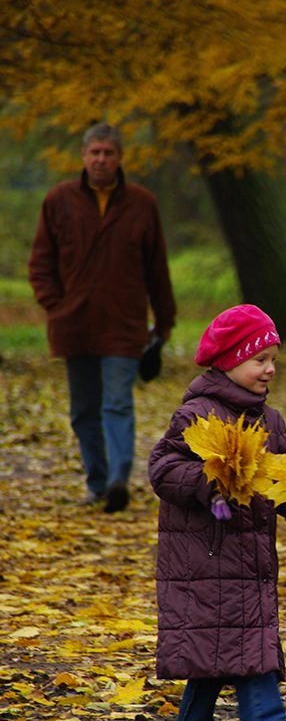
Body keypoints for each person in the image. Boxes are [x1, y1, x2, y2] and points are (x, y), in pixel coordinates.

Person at [148, 304, 286, 721]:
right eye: (259, 360)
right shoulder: (197, 415)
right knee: (243, 639)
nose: (269, 370)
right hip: (206, 555)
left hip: (249, 557)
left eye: (272, 361)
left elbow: (284, 485)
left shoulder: (270, 422)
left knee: (222, 646)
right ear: (228, 361)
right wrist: (208, 483)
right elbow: (163, 469)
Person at [28, 123, 176, 513]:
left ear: (120, 158)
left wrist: (164, 323)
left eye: (108, 153)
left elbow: (157, 268)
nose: (101, 160)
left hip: (124, 326)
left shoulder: (142, 204)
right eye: (94, 152)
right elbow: (40, 264)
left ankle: (117, 482)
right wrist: (55, 305)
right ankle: (97, 481)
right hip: (73, 325)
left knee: (117, 404)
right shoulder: (58, 200)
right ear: (83, 156)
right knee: (83, 411)